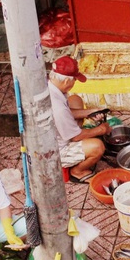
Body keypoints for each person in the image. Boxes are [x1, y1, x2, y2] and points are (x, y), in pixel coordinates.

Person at [48, 55, 111, 184]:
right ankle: (77, 171)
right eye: (74, 80)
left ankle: (80, 145)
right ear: (66, 81)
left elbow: (67, 112)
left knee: (75, 99)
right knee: (98, 146)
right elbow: (76, 136)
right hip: (54, 152)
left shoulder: (51, 85)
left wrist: (90, 112)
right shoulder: (58, 108)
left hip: (55, 132)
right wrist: (101, 129)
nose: (74, 82)